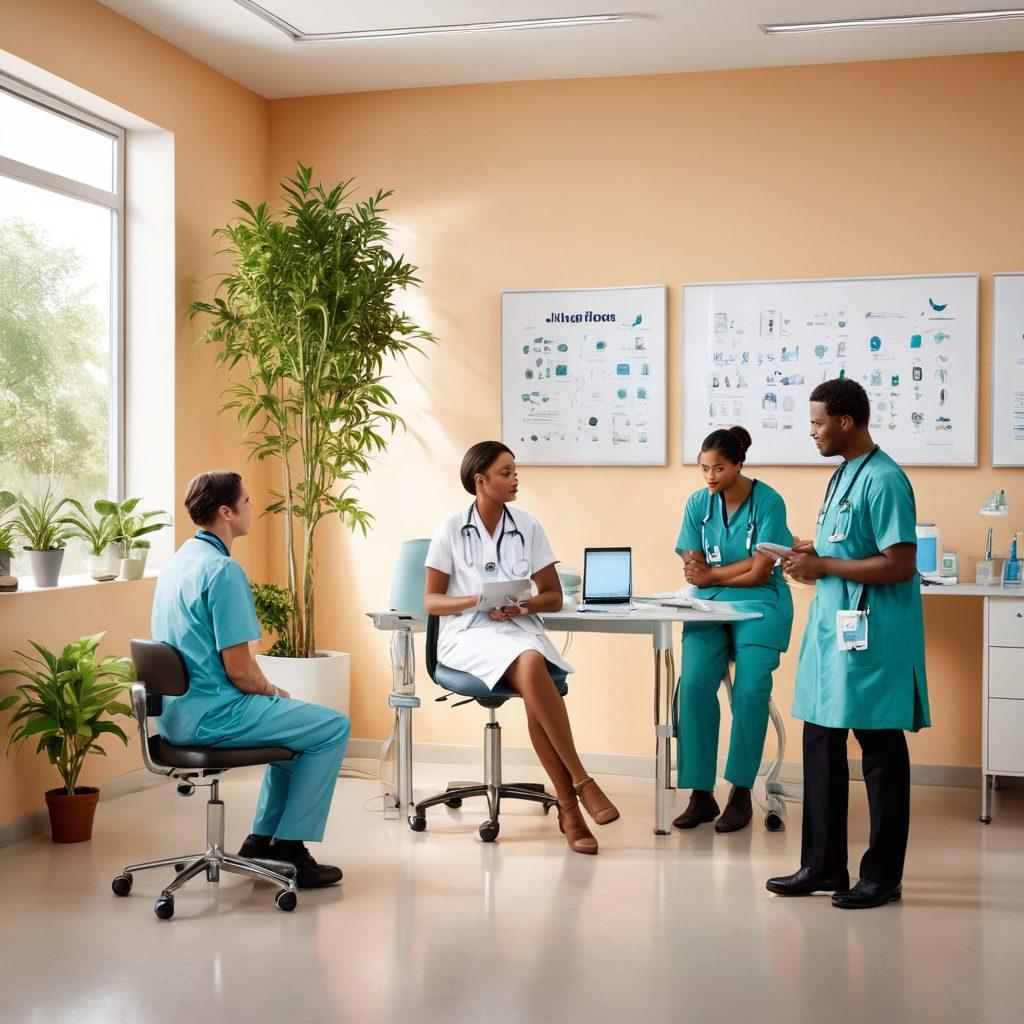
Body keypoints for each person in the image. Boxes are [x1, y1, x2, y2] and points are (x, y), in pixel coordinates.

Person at [766, 378, 929, 909]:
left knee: (879, 751)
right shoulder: (843, 477)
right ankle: (823, 864)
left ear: (844, 422)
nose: (810, 432)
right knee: (821, 742)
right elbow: (848, 546)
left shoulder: (884, 479)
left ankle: (882, 875)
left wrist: (824, 563)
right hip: (834, 632)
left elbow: (900, 564)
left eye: (816, 423)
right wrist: (810, 557)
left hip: (873, 635)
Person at [151, 471, 350, 888]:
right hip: (215, 715)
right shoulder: (222, 570)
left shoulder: (177, 564)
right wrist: (274, 691)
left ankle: (262, 840)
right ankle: (290, 848)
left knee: (296, 731)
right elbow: (240, 671)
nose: (251, 507)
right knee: (332, 726)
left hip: (175, 717)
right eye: (247, 500)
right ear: (226, 512)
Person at [424, 441, 618, 855]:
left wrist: (520, 607)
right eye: (506, 472)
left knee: (530, 667)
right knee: (531, 665)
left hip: (515, 628)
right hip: (466, 635)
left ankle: (572, 807)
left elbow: (552, 595)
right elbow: (431, 601)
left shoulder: (527, 525)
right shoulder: (450, 529)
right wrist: (475, 600)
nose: (516, 480)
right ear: (481, 480)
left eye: (515, 472)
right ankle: (579, 789)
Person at [673, 426, 794, 832]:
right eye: (704, 468)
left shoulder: (768, 501)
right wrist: (710, 574)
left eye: (719, 468)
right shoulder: (697, 503)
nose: (710, 477)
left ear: (740, 464)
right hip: (709, 605)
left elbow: (762, 572)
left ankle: (740, 791)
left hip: (762, 606)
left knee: (751, 689)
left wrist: (712, 575)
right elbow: (692, 563)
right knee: (692, 684)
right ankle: (699, 794)